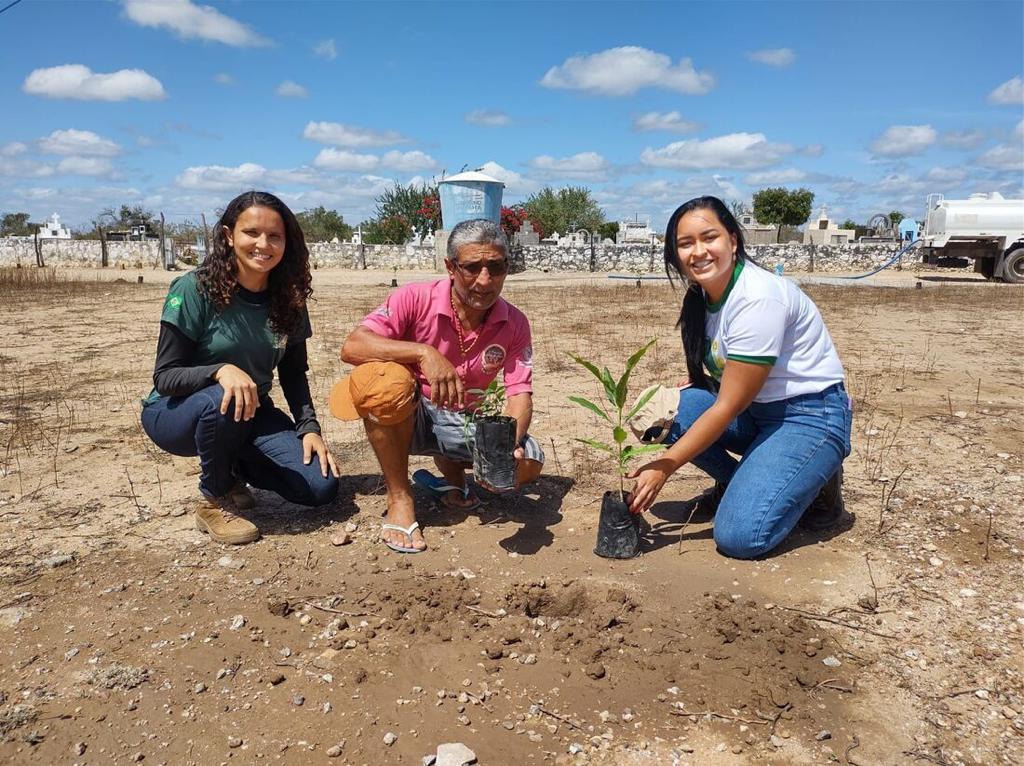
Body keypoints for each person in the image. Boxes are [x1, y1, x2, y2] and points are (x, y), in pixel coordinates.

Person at [627, 196, 852, 559]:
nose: (698, 251)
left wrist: (664, 466)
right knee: (664, 410)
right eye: (685, 244)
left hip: (808, 416)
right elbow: (725, 386)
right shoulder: (702, 298)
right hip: (757, 413)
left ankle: (816, 486)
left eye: (709, 237)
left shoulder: (757, 298)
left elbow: (729, 405)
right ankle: (744, 482)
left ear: (733, 240)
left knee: (739, 537)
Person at [141, 190, 339, 545]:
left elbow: (293, 373)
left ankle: (231, 466)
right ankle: (215, 500)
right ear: (229, 236)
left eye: (274, 236)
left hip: (248, 411)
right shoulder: (193, 289)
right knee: (227, 393)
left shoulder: (288, 298)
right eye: (252, 233)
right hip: (174, 412)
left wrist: (309, 429)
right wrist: (219, 371)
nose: (263, 244)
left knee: (320, 487)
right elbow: (165, 376)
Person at [336, 218, 543, 553]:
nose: (485, 281)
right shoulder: (415, 298)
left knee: (528, 466)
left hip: (464, 421)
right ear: (450, 267)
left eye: (496, 267)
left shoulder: (515, 322)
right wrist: (422, 353)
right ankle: (400, 499)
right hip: (411, 414)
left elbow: (519, 392)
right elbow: (353, 346)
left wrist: (507, 445)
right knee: (383, 384)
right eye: (472, 268)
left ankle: (452, 482)